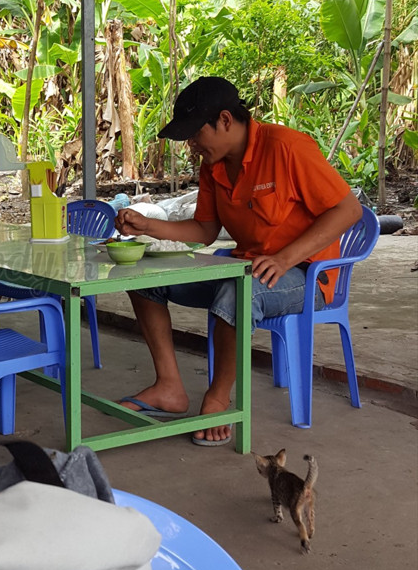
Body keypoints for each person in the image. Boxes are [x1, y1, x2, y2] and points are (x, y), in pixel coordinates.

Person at [115, 76, 362, 444]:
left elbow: (348, 210)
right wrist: (147, 225)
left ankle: (218, 399)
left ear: (226, 120)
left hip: (307, 275)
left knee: (238, 293)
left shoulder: (287, 147)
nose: (192, 144)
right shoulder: (213, 164)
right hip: (246, 266)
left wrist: (284, 258)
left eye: (196, 134)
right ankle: (169, 387)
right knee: (144, 277)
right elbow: (204, 230)